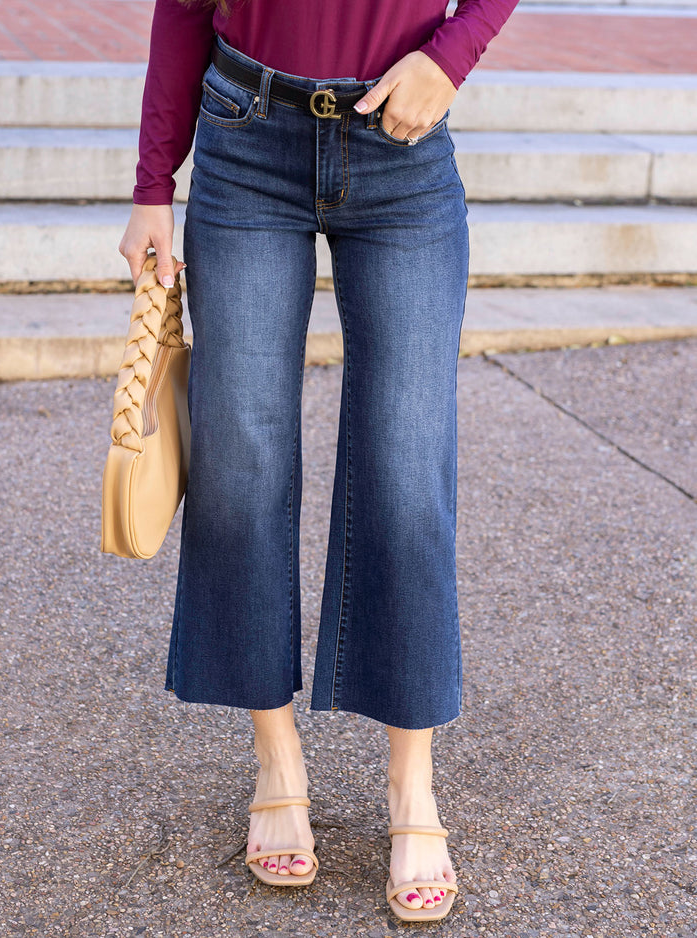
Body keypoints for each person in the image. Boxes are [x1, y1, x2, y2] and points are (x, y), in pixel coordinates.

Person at [118, 0, 519, 922]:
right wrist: (151, 185)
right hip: (246, 137)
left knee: (407, 472)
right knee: (239, 462)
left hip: (402, 146)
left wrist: (450, 58)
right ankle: (277, 759)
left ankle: (411, 781)